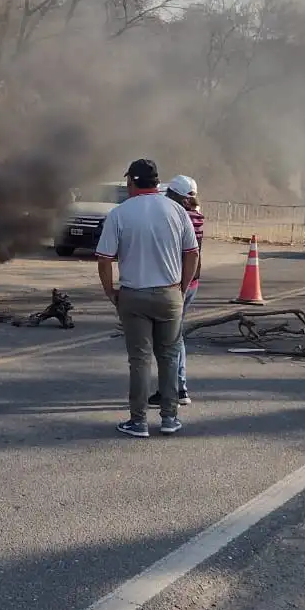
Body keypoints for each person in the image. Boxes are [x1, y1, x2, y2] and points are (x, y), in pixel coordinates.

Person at [95, 158, 198, 438]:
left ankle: (138, 421)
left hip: (134, 295)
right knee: (169, 356)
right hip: (170, 294)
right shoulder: (177, 210)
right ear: (156, 182)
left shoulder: (120, 213)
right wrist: (183, 286)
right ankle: (169, 418)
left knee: (139, 360)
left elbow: (104, 259)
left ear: (132, 182)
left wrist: (110, 292)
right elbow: (192, 253)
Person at [150, 175, 203, 408]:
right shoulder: (197, 216)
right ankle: (178, 388)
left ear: (176, 196)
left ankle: (174, 389)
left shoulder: (177, 217)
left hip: (176, 284)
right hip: (191, 283)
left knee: (168, 339)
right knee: (175, 335)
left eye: (169, 194)